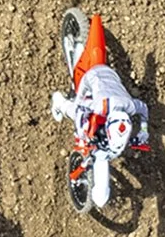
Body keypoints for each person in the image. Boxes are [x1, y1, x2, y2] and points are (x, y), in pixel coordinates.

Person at [50, 18, 151, 157]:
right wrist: (82, 134)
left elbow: (144, 109)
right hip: (91, 77)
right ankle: (59, 101)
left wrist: (144, 130)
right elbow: (81, 111)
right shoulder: (100, 106)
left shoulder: (131, 106)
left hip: (111, 76)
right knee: (76, 109)